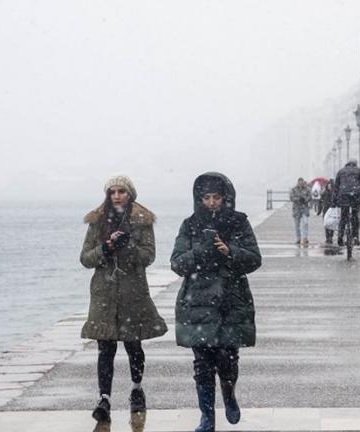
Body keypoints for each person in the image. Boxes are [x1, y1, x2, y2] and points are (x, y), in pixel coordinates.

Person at [170, 172, 262, 432]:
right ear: (199, 199)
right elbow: (177, 263)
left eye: (217, 197)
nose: (212, 202)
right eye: (207, 198)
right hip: (197, 303)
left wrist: (229, 251)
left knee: (228, 360)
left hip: (231, 301)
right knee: (202, 364)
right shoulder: (190, 225)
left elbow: (255, 259)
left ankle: (229, 393)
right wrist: (202, 251)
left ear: (225, 198)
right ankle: (207, 417)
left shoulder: (239, 223)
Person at [80, 175, 167, 425]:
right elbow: (85, 259)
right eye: (112, 192)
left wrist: (128, 246)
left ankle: (137, 390)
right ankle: (104, 399)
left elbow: (148, 256)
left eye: (122, 191)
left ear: (130, 194)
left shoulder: (142, 221)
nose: (117, 196)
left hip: (133, 293)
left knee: (133, 345)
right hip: (104, 294)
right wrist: (105, 249)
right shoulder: (97, 221)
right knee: (105, 348)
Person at [332, 161, 360, 246]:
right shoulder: (359, 171)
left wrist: (334, 201)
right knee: (355, 216)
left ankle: (340, 237)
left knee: (343, 217)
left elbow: (336, 187)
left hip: (343, 196)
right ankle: (355, 236)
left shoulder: (341, 171)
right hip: (355, 195)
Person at [289, 177, 311, 246]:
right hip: (297, 209)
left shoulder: (307, 189)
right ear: (298, 182)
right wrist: (298, 199)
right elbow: (291, 197)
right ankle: (298, 238)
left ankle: (305, 238)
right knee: (297, 225)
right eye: (300, 182)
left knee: (305, 223)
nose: (301, 183)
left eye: (302, 182)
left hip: (304, 208)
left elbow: (310, 197)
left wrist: (305, 199)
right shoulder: (294, 189)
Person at [319, 180, 335, 244]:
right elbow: (320, 201)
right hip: (325, 210)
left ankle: (330, 236)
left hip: (332, 211)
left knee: (332, 224)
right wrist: (319, 210)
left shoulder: (334, 193)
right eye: (329, 185)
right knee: (326, 224)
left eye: (331, 185)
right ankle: (327, 237)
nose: (329, 186)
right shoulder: (324, 192)